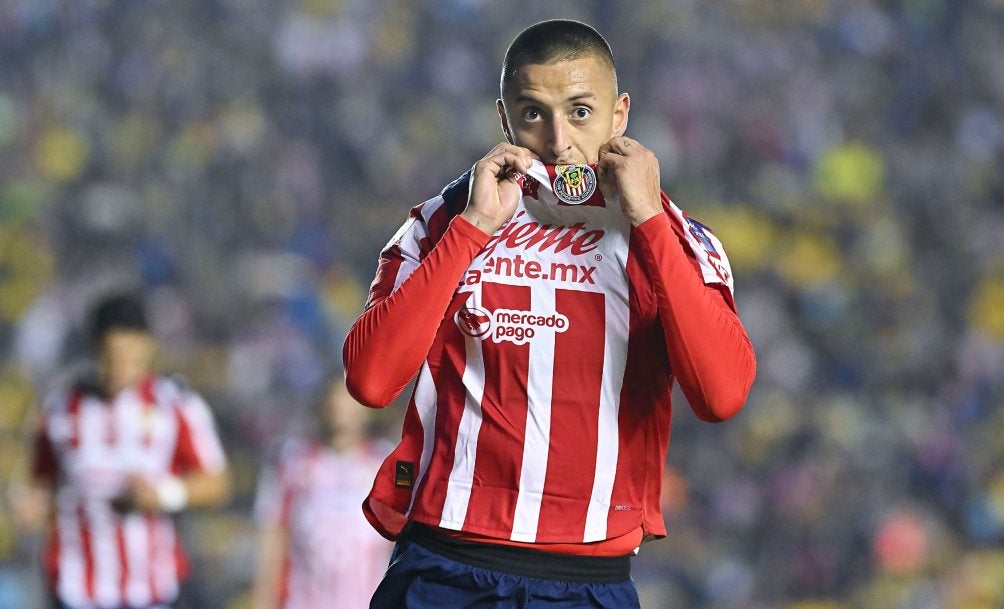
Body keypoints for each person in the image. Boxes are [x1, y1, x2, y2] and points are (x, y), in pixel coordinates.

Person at [342, 19, 757, 608]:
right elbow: (370, 381)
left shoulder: (677, 240)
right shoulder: (442, 223)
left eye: (581, 112)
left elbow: (722, 397)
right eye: (534, 114)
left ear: (620, 114)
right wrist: (472, 229)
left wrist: (649, 223)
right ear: (505, 120)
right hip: (444, 566)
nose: (559, 141)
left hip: (589, 582)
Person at [23, 292, 231, 609]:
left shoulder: (176, 404)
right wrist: (31, 507)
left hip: (152, 590)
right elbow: (41, 484)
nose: (120, 367)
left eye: (130, 356)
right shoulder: (61, 408)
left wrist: (164, 495)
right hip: (77, 589)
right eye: (112, 356)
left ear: (148, 346)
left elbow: (217, 482)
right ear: (95, 348)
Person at [251, 378, 392, 609]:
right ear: (321, 407)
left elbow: (399, 537)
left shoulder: (385, 462)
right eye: (335, 400)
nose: (341, 409)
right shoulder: (292, 461)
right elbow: (273, 536)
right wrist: (264, 600)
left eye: (350, 401)